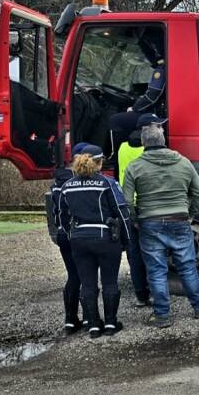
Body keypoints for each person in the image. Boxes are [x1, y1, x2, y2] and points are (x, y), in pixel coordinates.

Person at [122, 117, 199, 328]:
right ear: (164, 139)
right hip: (179, 220)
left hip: (150, 223)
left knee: (156, 270)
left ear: (144, 142)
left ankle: (162, 315)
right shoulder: (183, 162)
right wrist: (189, 214)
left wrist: (136, 220)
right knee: (188, 266)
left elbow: (126, 201)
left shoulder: (135, 167)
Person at [59, 144, 131, 338]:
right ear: (99, 163)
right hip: (105, 237)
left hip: (79, 239)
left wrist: (71, 233)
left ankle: (93, 325)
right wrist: (127, 239)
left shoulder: (67, 186)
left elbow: (62, 216)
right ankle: (110, 323)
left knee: (87, 283)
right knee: (109, 282)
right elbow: (121, 211)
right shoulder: (106, 183)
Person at [50, 141, 89, 334]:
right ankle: (90, 318)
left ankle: (70, 319)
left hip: (64, 234)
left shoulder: (58, 183)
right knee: (87, 275)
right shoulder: (79, 181)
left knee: (73, 276)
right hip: (80, 234)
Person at [107, 28, 167, 155]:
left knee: (116, 120)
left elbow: (152, 96)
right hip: (160, 111)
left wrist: (135, 108)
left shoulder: (161, 69)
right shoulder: (164, 66)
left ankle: (113, 155)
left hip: (158, 114)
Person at [117, 122, 150, 308]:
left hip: (128, 206)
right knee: (152, 251)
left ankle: (140, 295)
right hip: (145, 205)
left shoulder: (122, 149)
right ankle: (154, 291)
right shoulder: (146, 153)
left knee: (134, 253)